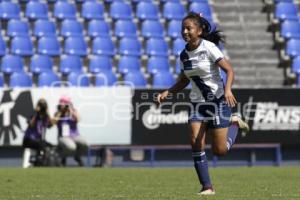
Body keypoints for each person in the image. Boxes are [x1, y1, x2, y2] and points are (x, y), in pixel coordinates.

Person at [157, 12, 249, 195]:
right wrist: (168, 92)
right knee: (195, 141)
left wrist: (228, 90)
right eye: (183, 28)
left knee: (220, 151)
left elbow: (229, 71)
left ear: (199, 31)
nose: (185, 31)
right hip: (197, 104)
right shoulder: (184, 54)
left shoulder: (209, 48)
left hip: (217, 102)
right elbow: (184, 81)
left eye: (188, 28)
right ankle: (207, 187)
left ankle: (234, 122)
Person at [53, 96, 88, 167]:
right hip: (63, 136)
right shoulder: (58, 113)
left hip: (75, 135)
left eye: (65, 104)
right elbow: (54, 122)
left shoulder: (73, 111)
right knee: (72, 147)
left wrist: (71, 110)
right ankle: (62, 157)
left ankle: (77, 156)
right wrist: (60, 112)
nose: (63, 106)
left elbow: (78, 119)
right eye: (62, 104)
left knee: (85, 144)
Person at [23, 98, 54, 165]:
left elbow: (51, 125)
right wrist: (36, 114)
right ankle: (38, 161)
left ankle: (41, 160)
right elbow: (31, 125)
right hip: (28, 140)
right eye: (41, 105)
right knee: (41, 144)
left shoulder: (45, 117)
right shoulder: (33, 113)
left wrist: (47, 113)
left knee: (50, 146)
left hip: (39, 141)